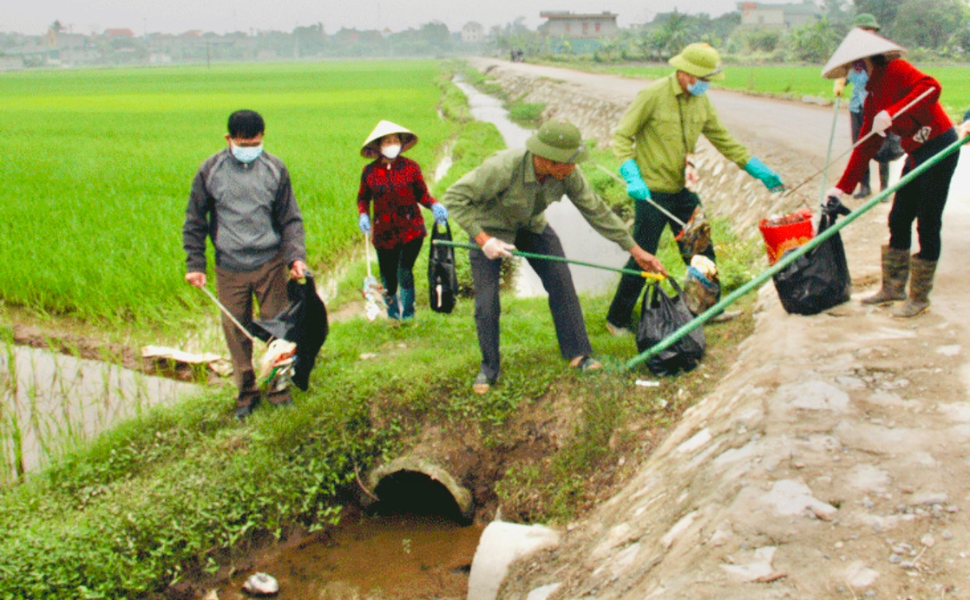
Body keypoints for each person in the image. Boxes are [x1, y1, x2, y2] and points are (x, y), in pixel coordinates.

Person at [443, 118, 666, 394]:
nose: (573, 168)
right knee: (487, 302)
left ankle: (578, 353)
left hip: (532, 226)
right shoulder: (504, 167)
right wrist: (483, 239)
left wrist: (635, 249)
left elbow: (595, 210)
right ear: (547, 159)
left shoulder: (568, 174)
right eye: (568, 162)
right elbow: (453, 198)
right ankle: (489, 368)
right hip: (491, 229)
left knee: (561, 280)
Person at [605, 42, 784, 336]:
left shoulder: (701, 102)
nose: (706, 85)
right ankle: (618, 319)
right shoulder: (652, 95)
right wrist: (632, 176)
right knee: (644, 254)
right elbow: (623, 136)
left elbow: (723, 139)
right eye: (703, 79)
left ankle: (707, 309)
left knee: (701, 248)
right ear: (686, 74)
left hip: (684, 189)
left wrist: (755, 167)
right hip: (651, 191)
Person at [823, 29, 959, 318]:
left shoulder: (896, 70)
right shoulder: (872, 99)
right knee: (898, 217)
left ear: (863, 64)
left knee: (927, 219)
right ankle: (893, 287)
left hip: (940, 146)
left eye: (852, 69)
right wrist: (840, 188)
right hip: (917, 153)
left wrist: (894, 112)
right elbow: (864, 147)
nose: (851, 76)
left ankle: (920, 297)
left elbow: (932, 88)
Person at [183, 109, 308, 419]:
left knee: (278, 329)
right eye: (243, 143)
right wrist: (195, 264)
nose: (250, 148)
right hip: (230, 267)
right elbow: (195, 221)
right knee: (236, 331)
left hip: (270, 263)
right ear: (229, 139)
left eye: (255, 143)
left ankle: (279, 390)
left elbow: (290, 218)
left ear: (262, 138)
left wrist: (295, 257)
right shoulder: (209, 171)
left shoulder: (275, 169)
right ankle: (246, 394)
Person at [357, 120, 448, 321]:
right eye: (387, 141)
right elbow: (363, 198)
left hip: (411, 229)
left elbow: (422, 195)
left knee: (405, 271)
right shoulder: (369, 172)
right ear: (379, 146)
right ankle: (393, 314)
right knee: (388, 277)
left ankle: (408, 314)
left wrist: (434, 205)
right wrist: (363, 214)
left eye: (395, 140)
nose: (392, 144)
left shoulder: (411, 168)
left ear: (401, 143)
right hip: (383, 232)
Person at [832, 13, 890, 199]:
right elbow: (846, 72)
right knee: (860, 145)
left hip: (878, 104)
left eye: (868, 29)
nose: (865, 33)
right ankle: (864, 186)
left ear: (874, 31)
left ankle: (884, 188)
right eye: (861, 30)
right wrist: (841, 82)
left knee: (882, 144)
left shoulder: (882, 53)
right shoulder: (851, 53)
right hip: (857, 105)